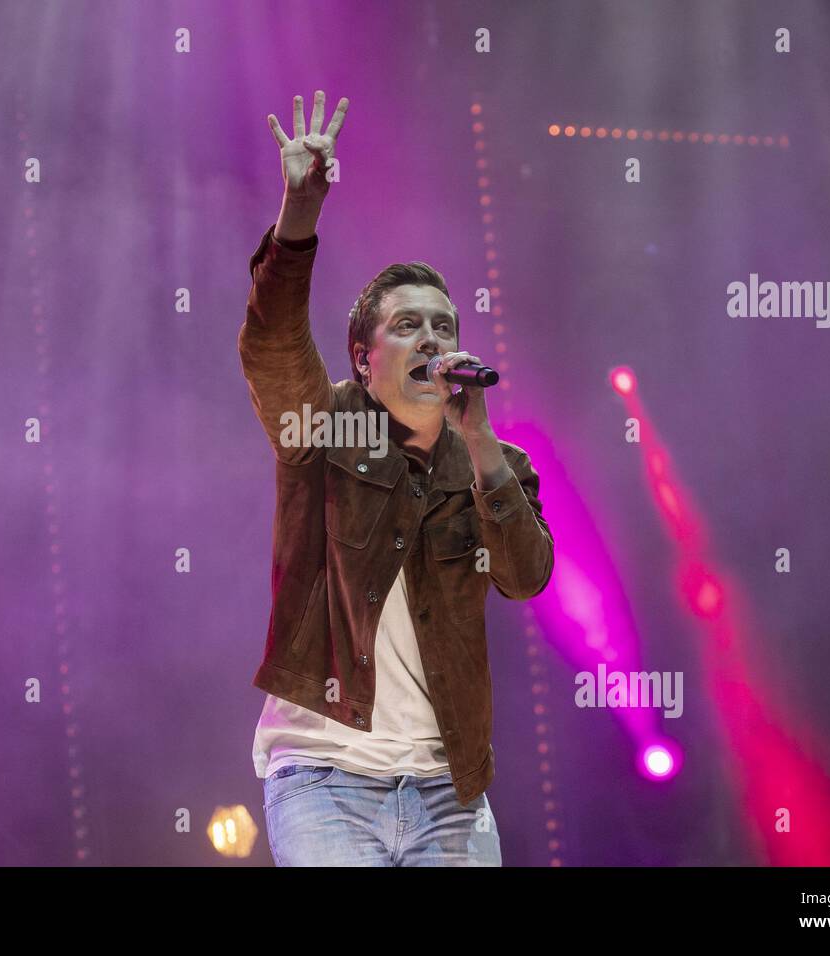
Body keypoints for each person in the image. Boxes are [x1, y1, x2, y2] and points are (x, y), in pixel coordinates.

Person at [239, 91, 555, 866]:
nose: (432, 338)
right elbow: (273, 347)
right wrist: (298, 217)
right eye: (407, 325)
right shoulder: (325, 429)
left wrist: (478, 439)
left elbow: (525, 576)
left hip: (451, 788)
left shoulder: (494, 465)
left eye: (443, 325)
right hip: (325, 775)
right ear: (363, 356)